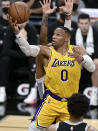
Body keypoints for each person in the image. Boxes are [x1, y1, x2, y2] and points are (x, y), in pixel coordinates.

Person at [8, 0, 95, 130]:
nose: (53, 37)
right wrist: (17, 32)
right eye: (53, 34)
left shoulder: (77, 50)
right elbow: (27, 50)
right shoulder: (47, 50)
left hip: (70, 104)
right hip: (51, 101)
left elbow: (92, 67)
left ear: (66, 38)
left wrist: (82, 59)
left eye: (58, 35)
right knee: (33, 128)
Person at [70, 13, 98, 107]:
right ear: (78, 24)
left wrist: (85, 54)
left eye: (86, 23)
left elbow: (97, 52)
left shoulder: (96, 32)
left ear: (90, 23)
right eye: (81, 23)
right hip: (78, 58)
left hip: (91, 59)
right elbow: (72, 50)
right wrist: (81, 55)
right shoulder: (73, 33)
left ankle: (94, 94)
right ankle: (71, 94)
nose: (84, 26)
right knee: (71, 62)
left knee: (97, 62)